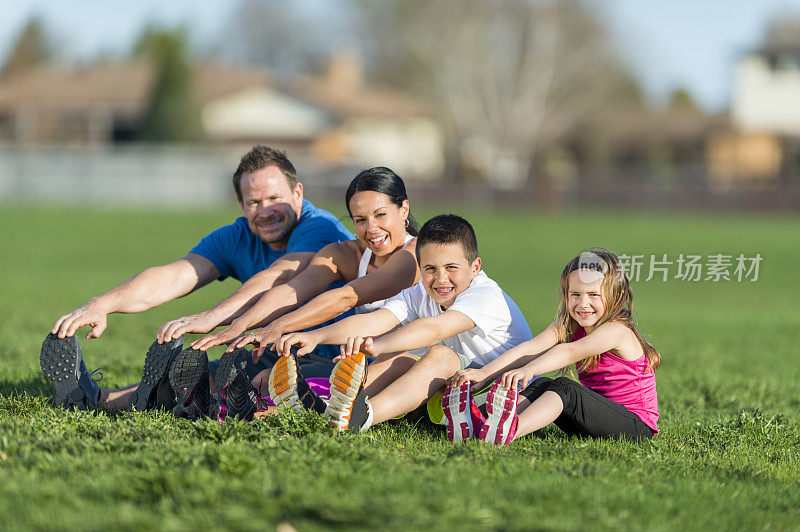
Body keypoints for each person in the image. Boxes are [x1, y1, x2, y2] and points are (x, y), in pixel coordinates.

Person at [41, 145, 353, 412]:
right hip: (271, 350)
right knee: (188, 378)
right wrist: (102, 304)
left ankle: (210, 396)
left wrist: (213, 317)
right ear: (242, 205)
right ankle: (92, 398)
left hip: (332, 355)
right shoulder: (237, 236)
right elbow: (174, 276)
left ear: (298, 193)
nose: (265, 211)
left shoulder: (320, 228)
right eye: (254, 202)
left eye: (274, 198)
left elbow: (281, 276)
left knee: (229, 385)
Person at [168, 167, 422, 420]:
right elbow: (293, 290)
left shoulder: (417, 255)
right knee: (266, 379)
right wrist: (240, 324)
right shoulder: (347, 254)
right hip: (357, 364)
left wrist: (278, 326)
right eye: (360, 220)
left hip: (410, 367)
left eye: (380, 215)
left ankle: (271, 410)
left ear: (404, 210)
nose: (372, 229)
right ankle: (209, 404)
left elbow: (346, 297)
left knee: (291, 389)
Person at [270, 214, 533, 433]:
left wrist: (378, 345)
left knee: (440, 355)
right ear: (420, 266)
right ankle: (332, 408)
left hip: (505, 397)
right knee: (402, 355)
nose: (441, 279)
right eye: (430, 269)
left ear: (475, 267)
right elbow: (375, 320)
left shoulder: (485, 294)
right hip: (456, 395)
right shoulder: (420, 291)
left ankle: (360, 417)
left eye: (451, 267)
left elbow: (434, 330)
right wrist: (317, 336)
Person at [447, 248, 660, 445]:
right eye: (575, 295)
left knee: (565, 387)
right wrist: (484, 373)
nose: (583, 304)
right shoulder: (569, 324)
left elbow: (570, 351)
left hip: (635, 428)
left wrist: (528, 370)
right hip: (592, 419)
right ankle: (482, 425)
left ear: (617, 296)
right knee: (541, 385)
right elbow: (531, 348)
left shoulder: (617, 330)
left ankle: (510, 430)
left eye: (593, 295)